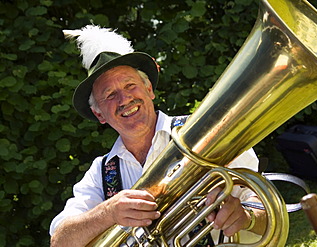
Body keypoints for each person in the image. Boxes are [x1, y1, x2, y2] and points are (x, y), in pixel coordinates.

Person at [50, 25, 267, 247]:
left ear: (149, 90)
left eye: (130, 85)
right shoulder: (101, 172)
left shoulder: (203, 133)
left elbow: (263, 205)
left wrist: (247, 218)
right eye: (110, 95)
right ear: (99, 114)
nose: (124, 100)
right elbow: (60, 241)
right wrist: (108, 212)